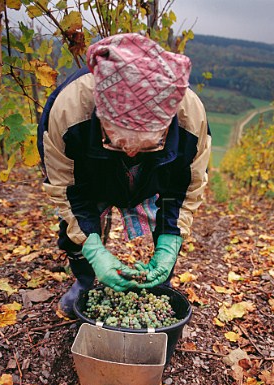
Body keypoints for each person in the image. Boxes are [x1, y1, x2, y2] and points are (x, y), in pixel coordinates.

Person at [37, 33, 211, 318]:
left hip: (154, 175)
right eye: (117, 141)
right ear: (101, 118)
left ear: (167, 128)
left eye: (146, 144)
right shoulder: (68, 113)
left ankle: (160, 279)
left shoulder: (191, 118)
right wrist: (93, 247)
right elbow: (67, 190)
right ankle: (83, 280)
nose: (130, 152)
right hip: (94, 175)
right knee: (75, 231)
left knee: (167, 224)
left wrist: (170, 242)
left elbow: (184, 189)